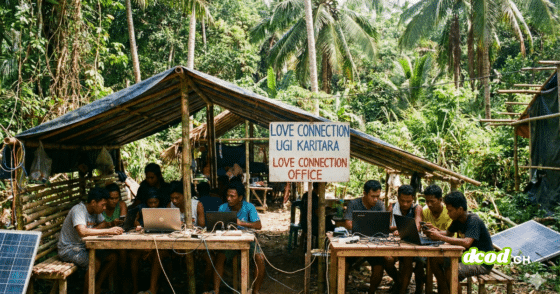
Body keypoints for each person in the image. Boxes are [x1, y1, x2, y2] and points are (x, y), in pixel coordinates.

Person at [425, 191, 494, 294]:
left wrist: (439, 236)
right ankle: (444, 290)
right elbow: (448, 233)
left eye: (450, 211)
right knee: (434, 259)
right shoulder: (458, 219)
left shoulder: (473, 220)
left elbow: (467, 242)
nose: (448, 213)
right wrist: (434, 230)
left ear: (460, 209)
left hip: (482, 262)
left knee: (453, 270)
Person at [57, 187, 123, 294]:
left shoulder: (96, 211)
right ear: (93, 202)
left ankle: (96, 287)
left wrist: (96, 229)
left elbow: (104, 223)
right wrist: (108, 231)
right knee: (95, 262)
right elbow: (82, 232)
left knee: (113, 257)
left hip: (83, 247)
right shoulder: (79, 210)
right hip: (69, 249)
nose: (105, 208)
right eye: (103, 205)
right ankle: (87, 292)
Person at [206, 179, 265, 294]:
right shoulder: (223, 208)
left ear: (240, 197)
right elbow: (217, 226)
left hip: (248, 241)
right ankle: (216, 290)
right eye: (227, 196)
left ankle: (255, 291)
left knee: (260, 259)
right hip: (230, 241)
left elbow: (258, 225)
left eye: (232, 196)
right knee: (220, 257)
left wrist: (241, 223)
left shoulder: (249, 207)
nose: (229, 199)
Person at [343, 180, 386, 294]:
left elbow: (383, 225)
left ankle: (371, 292)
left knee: (379, 265)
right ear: (365, 193)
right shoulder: (354, 203)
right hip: (355, 243)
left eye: (377, 196)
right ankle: (341, 290)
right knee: (344, 263)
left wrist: (361, 226)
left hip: (373, 244)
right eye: (373, 196)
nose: (375, 199)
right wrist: (371, 227)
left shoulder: (380, 205)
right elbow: (348, 224)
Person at [386, 184, 423, 294]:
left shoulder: (417, 208)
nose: (405, 204)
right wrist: (400, 228)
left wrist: (401, 230)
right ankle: (398, 281)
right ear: (398, 198)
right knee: (387, 260)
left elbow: (417, 227)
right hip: (393, 244)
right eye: (402, 201)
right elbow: (386, 227)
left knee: (408, 259)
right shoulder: (392, 207)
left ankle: (402, 290)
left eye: (408, 201)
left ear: (413, 199)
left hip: (410, 244)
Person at [130, 188, 167, 294]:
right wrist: (136, 223)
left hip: (159, 246)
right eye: (150, 202)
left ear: (159, 201)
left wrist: (151, 248)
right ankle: (135, 288)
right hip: (143, 245)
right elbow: (138, 229)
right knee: (133, 256)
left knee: (157, 255)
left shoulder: (164, 210)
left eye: (155, 202)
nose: (153, 205)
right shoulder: (141, 210)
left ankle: (153, 288)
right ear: (146, 202)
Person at [103, 183, 129, 293]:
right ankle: (116, 284)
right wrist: (111, 224)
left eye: (116, 198)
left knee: (122, 251)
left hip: (118, 239)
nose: (114, 201)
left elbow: (123, 223)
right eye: (111, 198)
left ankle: (122, 279)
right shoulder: (102, 208)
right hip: (103, 240)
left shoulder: (121, 205)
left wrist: (119, 223)